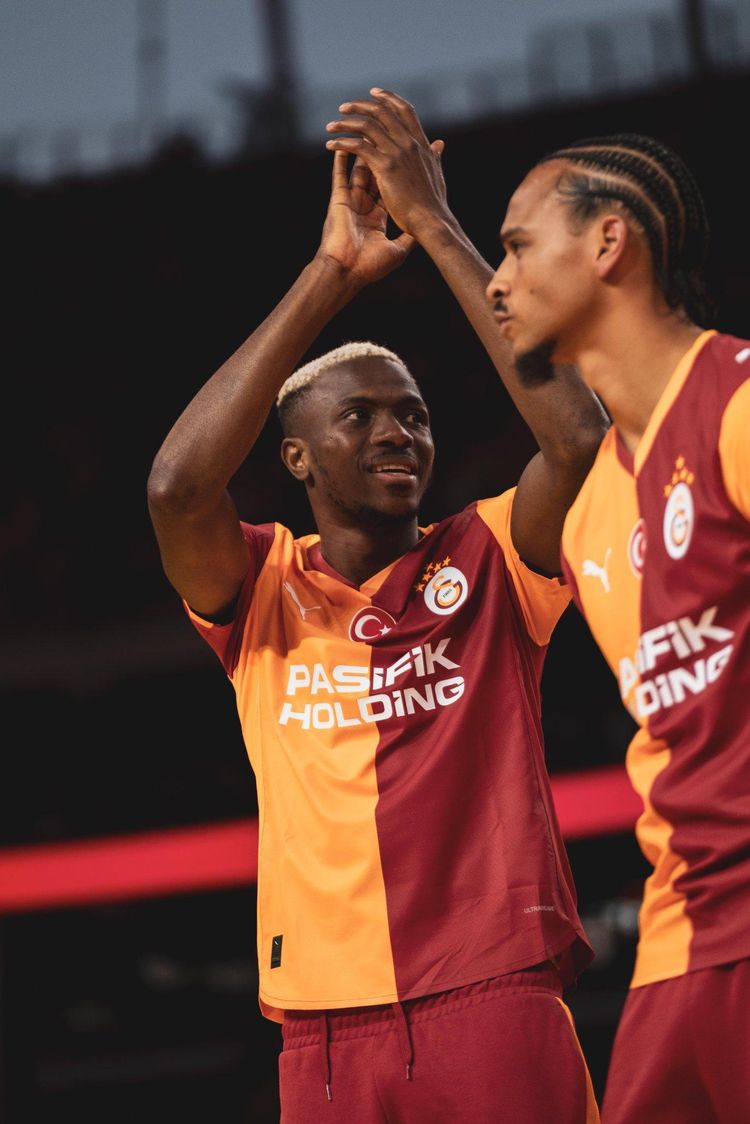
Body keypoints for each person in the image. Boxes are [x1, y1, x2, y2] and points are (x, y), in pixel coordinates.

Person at [147, 92, 609, 1122]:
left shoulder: (494, 555)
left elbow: (580, 440)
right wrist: (333, 272)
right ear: (297, 457)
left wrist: (436, 225)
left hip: (497, 992)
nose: (399, 432)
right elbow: (177, 487)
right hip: (322, 1032)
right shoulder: (258, 588)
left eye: (414, 415)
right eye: (359, 416)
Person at [468, 125, 750, 1123]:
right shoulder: (587, 513)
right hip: (680, 936)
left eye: (516, 245)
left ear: (607, 242)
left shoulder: (738, 404)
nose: (498, 281)